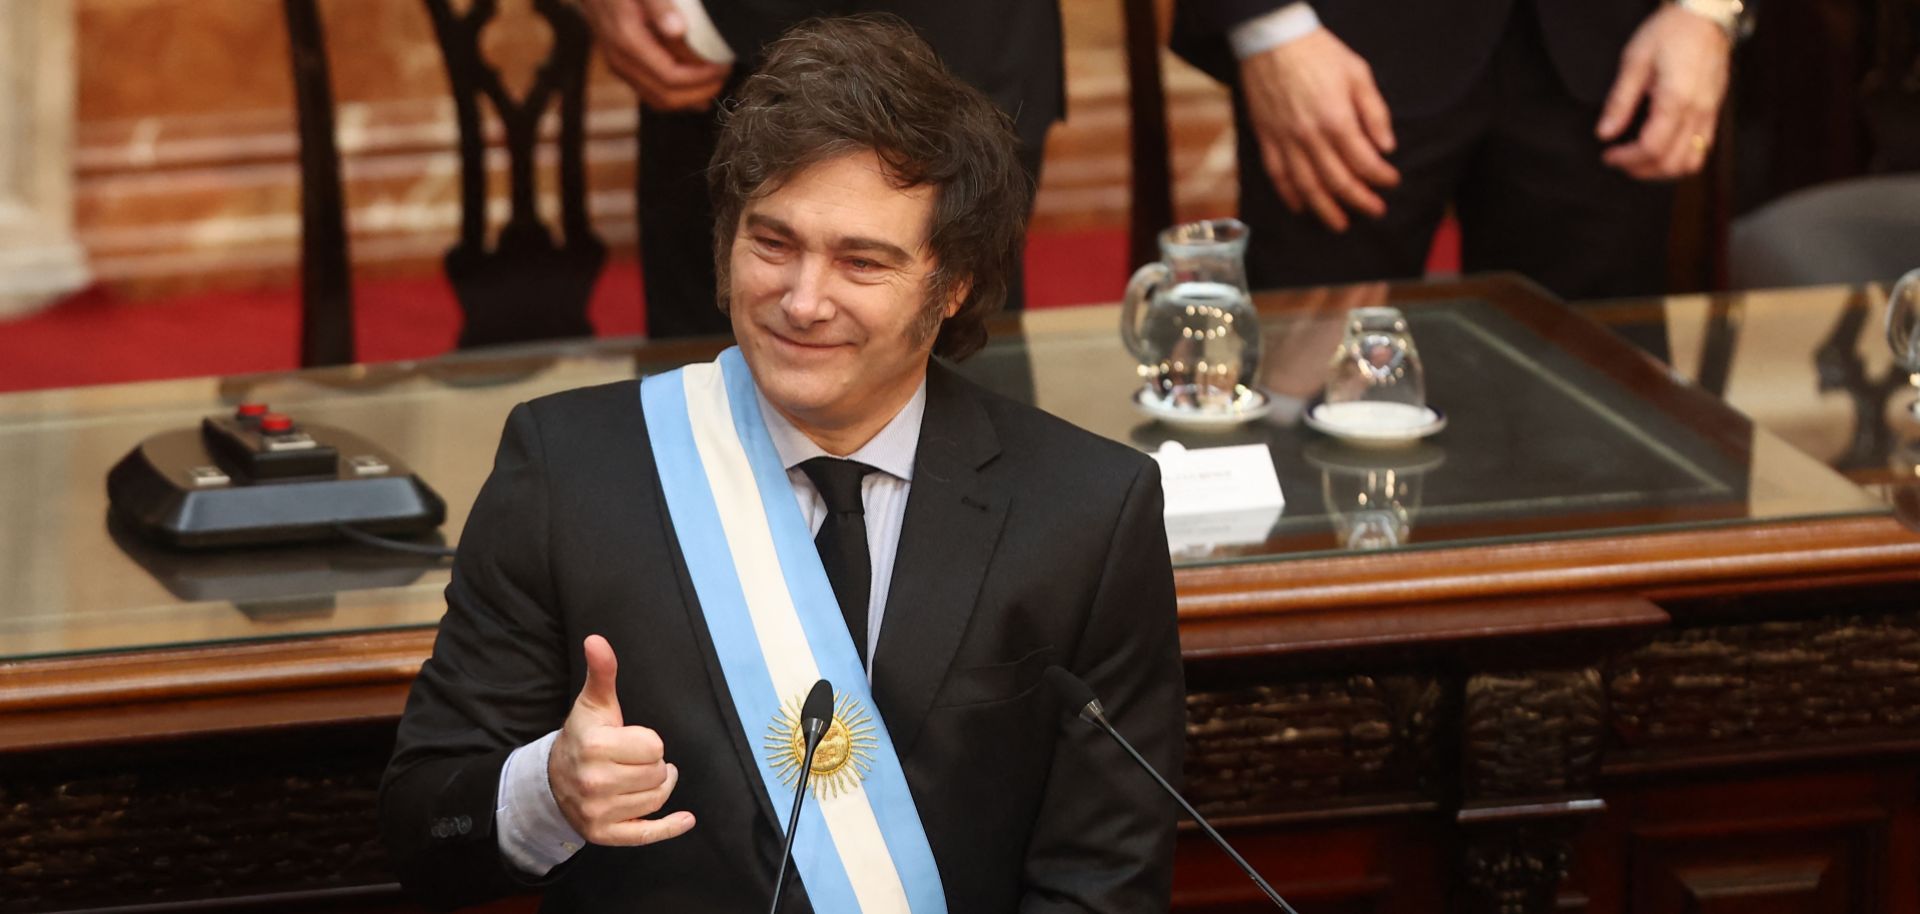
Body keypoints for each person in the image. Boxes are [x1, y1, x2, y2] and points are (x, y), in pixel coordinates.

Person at [381, 16, 1185, 912]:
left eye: (861, 262)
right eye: (773, 244)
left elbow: (1102, 881)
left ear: (951, 283)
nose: (803, 301)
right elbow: (421, 828)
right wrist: (547, 793)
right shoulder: (566, 473)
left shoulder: (1086, 512)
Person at [1172, 0, 1740, 307]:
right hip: (1333, 46)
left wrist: (1707, 9)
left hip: (1619, 47)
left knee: (1601, 432)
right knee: (1304, 391)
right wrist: (1263, 21)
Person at [576, 0, 1064, 338]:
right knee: (708, 405)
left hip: (959, 45)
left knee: (955, 380)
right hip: (711, 59)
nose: (806, 305)